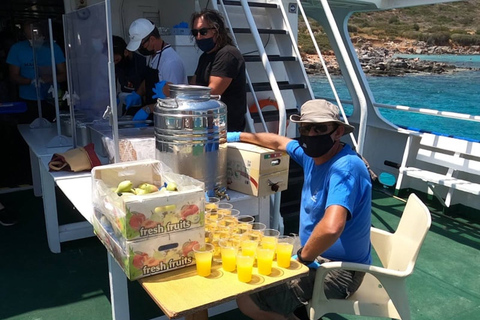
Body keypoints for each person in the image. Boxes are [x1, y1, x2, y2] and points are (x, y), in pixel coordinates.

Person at [228, 99, 372, 320]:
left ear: (338, 131)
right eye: (305, 128)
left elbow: (332, 227)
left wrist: (303, 258)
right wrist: (237, 136)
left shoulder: (346, 167)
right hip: (314, 251)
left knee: (247, 299)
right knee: (255, 262)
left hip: (340, 270)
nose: (312, 134)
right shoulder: (310, 156)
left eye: (320, 128)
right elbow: (278, 142)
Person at [190, 9, 246, 132]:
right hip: (205, 127)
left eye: (203, 32)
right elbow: (193, 87)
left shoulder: (227, 55)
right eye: (195, 33)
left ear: (216, 31)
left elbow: (212, 94)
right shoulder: (204, 57)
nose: (198, 37)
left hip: (225, 130)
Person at [124, 18, 187, 121]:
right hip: (154, 117)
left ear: (152, 39)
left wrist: (148, 109)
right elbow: (149, 80)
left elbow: (175, 101)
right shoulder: (152, 55)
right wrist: (137, 94)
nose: (140, 49)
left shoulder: (170, 62)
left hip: (168, 120)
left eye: (141, 45)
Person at [6, 21, 66, 123]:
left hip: (51, 98)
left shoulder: (53, 48)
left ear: (42, 33)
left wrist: (49, 78)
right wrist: (30, 81)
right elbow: (13, 76)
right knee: (28, 128)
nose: (32, 40)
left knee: (53, 128)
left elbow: (64, 75)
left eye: (35, 35)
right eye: (28, 37)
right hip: (27, 99)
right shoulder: (17, 49)